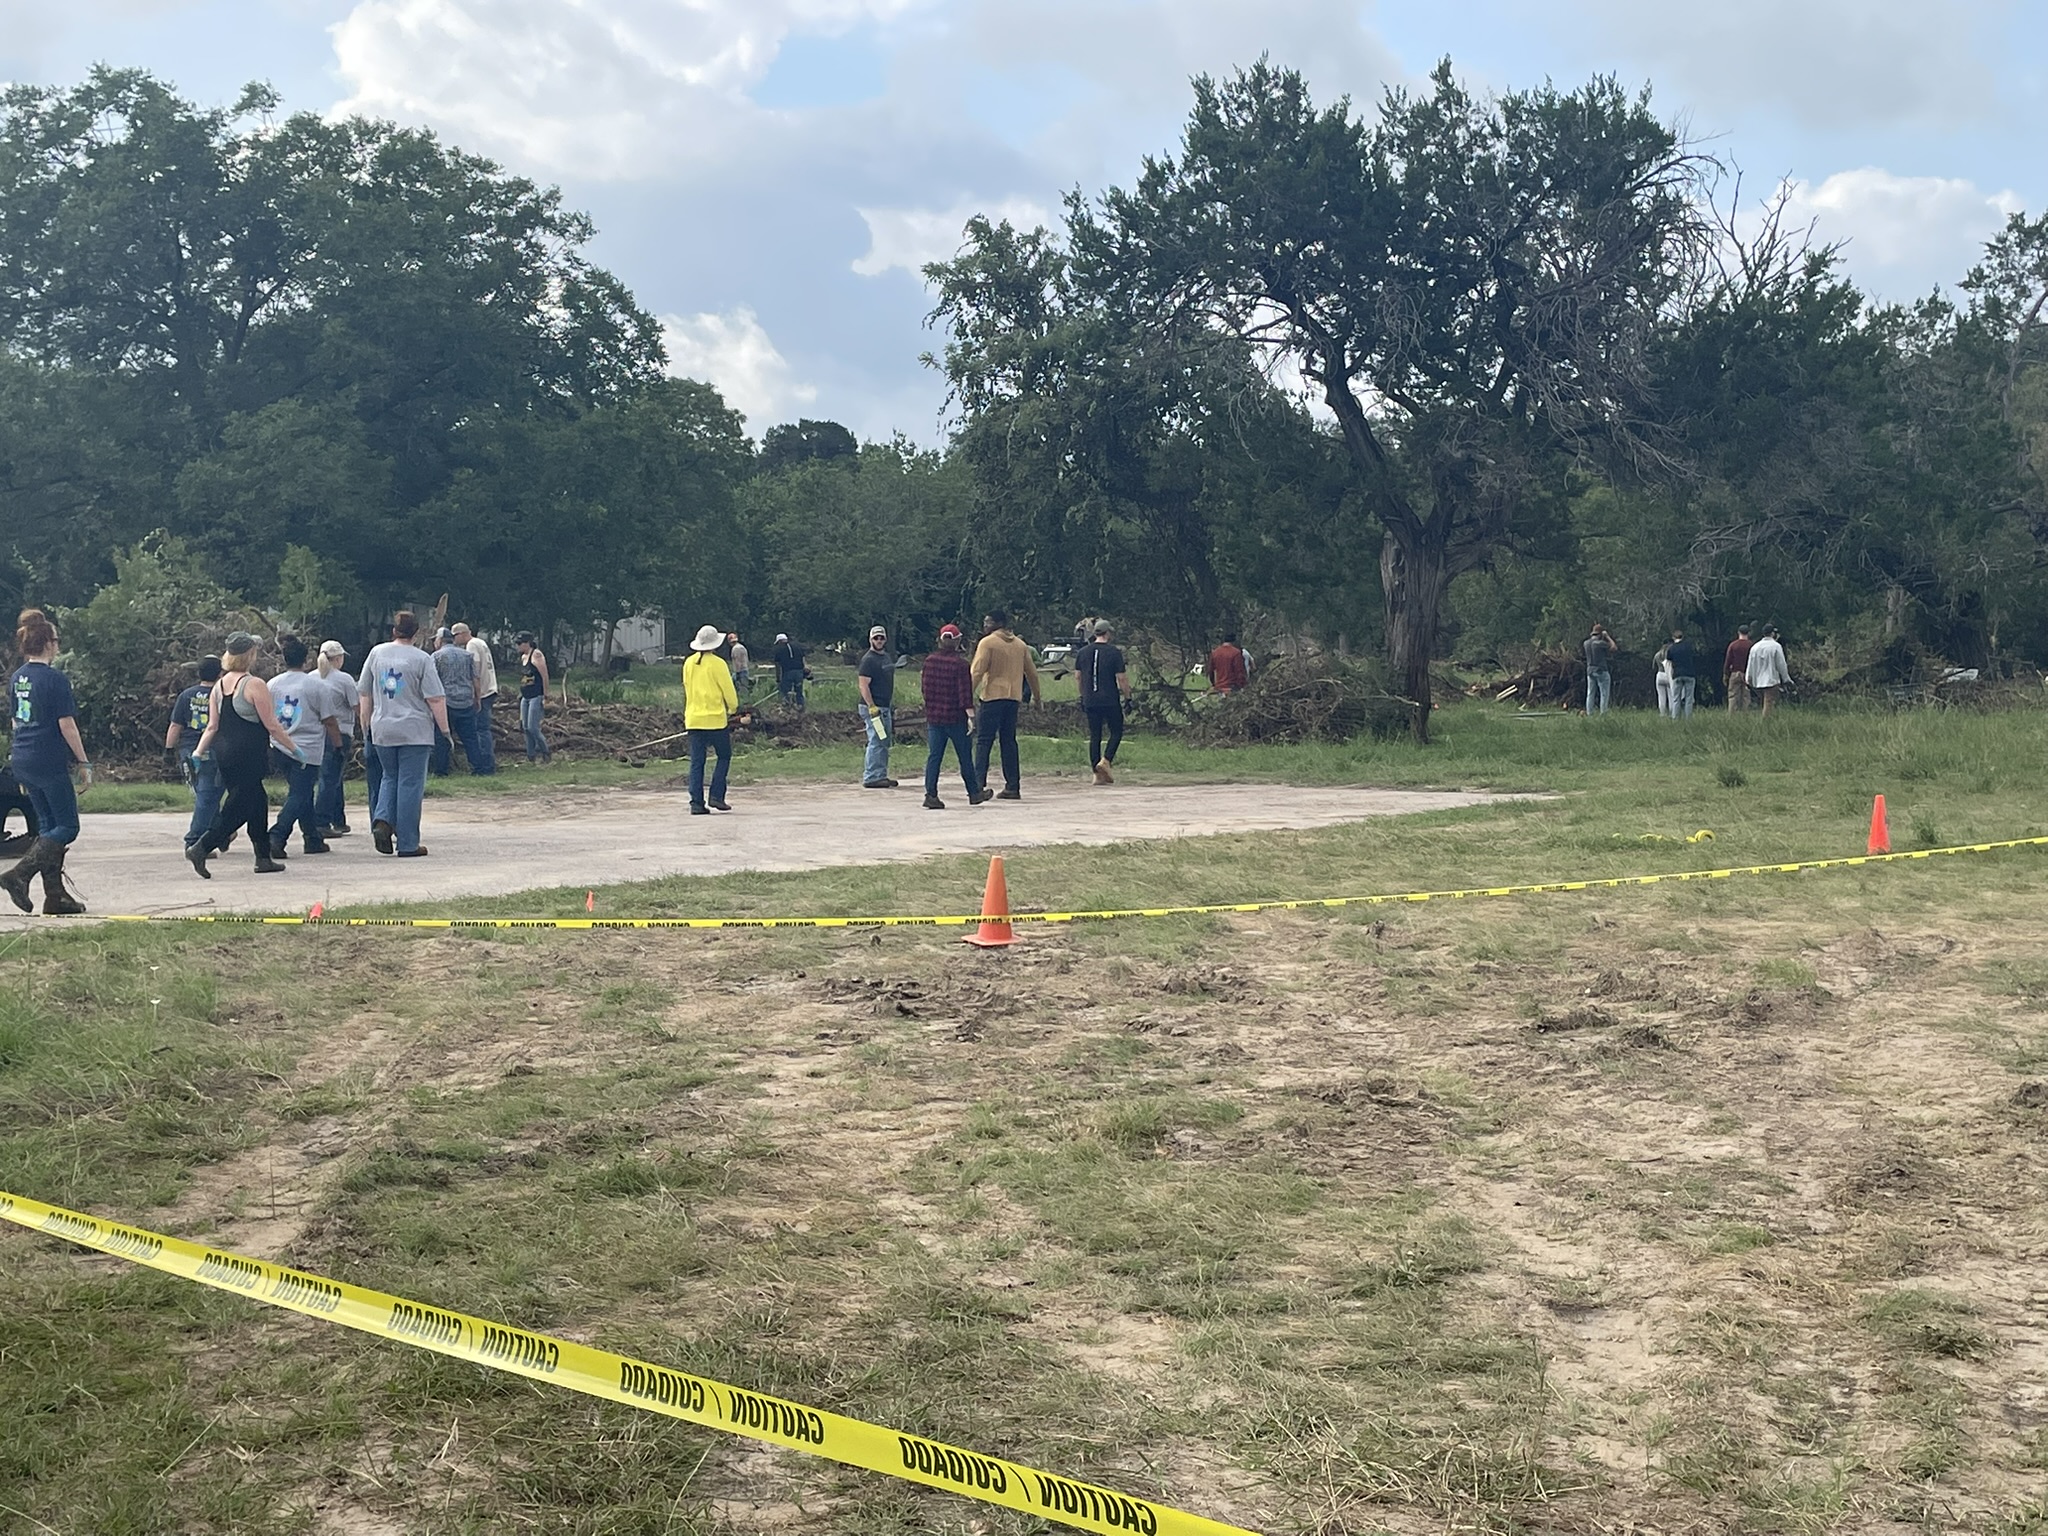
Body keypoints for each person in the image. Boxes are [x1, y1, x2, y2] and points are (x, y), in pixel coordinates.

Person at [187, 632, 306, 879]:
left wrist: (199, 751)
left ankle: (263, 857)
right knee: (239, 806)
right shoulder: (254, 685)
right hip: (248, 755)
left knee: (257, 803)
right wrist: (294, 749)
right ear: (250, 655)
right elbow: (272, 724)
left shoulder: (219, 686)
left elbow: (212, 726)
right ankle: (202, 846)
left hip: (224, 753)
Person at [3, 608, 90, 915]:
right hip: (47, 758)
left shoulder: (17, 678)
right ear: (49, 643)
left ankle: (55, 896)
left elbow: (15, 721)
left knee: (48, 828)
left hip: (23, 757)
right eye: (57, 639)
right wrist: (83, 763)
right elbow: (66, 725)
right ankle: (19, 875)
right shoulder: (54, 679)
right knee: (67, 826)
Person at [357, 612, 450, 857]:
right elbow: (435, 697)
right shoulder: (422, 659)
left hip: (382, 727)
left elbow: (364, 692)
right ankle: (408, 843)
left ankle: (382, 821)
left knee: (389, 776)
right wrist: (445, 730)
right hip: (414, 730)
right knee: (410, 784)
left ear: (393, 630)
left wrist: (365, 724)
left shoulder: (377, 653)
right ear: (416, 633)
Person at [266, 636, 343, 857]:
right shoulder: (316, 685)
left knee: (302, 793)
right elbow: (329, 720)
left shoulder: (272, 684)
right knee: (299, 795)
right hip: (306, 749)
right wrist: (337, 745)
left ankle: (312, 837)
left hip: (279, 746)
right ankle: (277, 835)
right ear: (306, 659)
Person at [971, 609, 1038, 800]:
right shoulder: (1020, 644)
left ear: (997, 623)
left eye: (987, 622)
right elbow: (1032, 674)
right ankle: (1013, 786)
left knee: (984, 740)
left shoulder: (987, 643)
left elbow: (977, 672)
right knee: (1008, 741)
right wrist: (1037, 698)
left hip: (992, 697)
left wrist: (966, 696)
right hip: (1012, 698)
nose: (984, 626)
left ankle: (977, 783)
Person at [920, 624, 987, 810]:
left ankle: (930, 794)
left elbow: (925, 689)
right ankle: (973, 793)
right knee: (965, 756)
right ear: (957, 641)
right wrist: (971, 717)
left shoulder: (929, 661)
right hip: (955, 718)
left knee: (934, 756)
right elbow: (964, 695)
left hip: (934, 718)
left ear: (940, 640)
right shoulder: (960, 665)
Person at [166, 654, 225, 851]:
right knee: (208, 795)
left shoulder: (186, 695)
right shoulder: (222, 695)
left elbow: (175, 725)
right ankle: (195, 840)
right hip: (213, 749)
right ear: (220, 673)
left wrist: (168, 750)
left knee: (206, 794)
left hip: (188, 749)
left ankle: (218, 834)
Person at [682, 624, 738, 814]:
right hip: (715, 720)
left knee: (697, 761)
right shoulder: (718, 664)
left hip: (693, 719)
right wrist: (733, 709)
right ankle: (716, 795)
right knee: (723, 756)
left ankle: (696, 803)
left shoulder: (689, 663)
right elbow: (728, 691)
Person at [1076, 619, 1132, 784]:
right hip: (1109, 699)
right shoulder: (1114, 652)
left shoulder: (1083, 652)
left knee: (1095, 736)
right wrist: (1128, 697)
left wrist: (1082, 696)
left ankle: (1096, 773)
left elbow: (1078, 676)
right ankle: (1106, 761)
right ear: (1107, 633)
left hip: (1090, 699)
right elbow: (1121, 678)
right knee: (1116, 731)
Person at [430, 626, 491, 776]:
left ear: (440, 640)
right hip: (465, 701)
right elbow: (475, 679)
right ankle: (478, 769)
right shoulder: (467, 655)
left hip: (446, 703)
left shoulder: (436, 657)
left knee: (442, 738)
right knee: (470, 738)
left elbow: (432, 681)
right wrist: (477, 698)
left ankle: (442, 771)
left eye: (435, 639)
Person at [315, 640, 359, 835]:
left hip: (317, 733)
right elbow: (356, 706)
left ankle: (338, 818)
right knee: (330, 778)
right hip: (340, 731)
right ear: (338, 658)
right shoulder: (344, 680)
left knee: (334, 777)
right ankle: (322, 822)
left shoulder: (311, 677)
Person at [857, 624, 898, 789]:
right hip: (874, 708)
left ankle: (880, 774)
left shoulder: (886, 657)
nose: (879, 641)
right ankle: (872, 776)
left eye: (881, 638)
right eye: (876, 638)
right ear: (870, 639)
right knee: (876, 739)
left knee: (883, 740)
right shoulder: (868, 660)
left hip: (884, 707)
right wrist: (871, 706)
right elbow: (863, 685)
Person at [454, 623, 498, 773]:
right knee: (483, 728)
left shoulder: (471, 645)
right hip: (491, 687)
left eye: (455, 636)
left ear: (461, 634)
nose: (454, 640)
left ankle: (486, 766)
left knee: (481, 729)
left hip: (484, 691)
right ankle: (487, 763)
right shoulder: (481, 642)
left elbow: (475, 671)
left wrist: (475, 694)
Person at [515, 633, 552, 763]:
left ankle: (545, 751)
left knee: (533, 727)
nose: (518, 646)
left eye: (520, 643)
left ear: (528, 643)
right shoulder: (523, 657)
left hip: (536, 695)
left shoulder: (536, 655)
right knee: (525, 727)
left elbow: (544, 675)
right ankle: (530, 756)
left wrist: (546, 694)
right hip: (525, 696)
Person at [1746, 625, 1791, 719]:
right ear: (1773, 633)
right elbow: (1781, 664)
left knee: (1763, 702)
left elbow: (1750, 664)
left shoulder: (1755, 647)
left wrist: (1748, 678)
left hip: (1757, 680)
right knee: (1769, 702)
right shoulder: (1776, 646)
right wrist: (1786, 678)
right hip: (1771, 679)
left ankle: (1767, 718)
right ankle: (1766, 722)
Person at [1583, 624, 1615, 716]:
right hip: (1601, 670)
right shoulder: (1600, 643)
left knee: (1590, 693)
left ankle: (1590, 713)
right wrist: (1607, 637)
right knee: (1604, 693)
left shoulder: (1586, 643)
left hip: (1590, 670)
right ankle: (1603, 713)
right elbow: (1614, 647)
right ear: (1600, 634)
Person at [1665, 630, 1696, 720]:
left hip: (1677, 674)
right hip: (1689, 674)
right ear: (1682, 637)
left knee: (1676, 698)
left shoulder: (1671, 648)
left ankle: (1675, 718)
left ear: (1673, 638)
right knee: (1689, 698)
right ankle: (1688, 718)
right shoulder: (1689, 646)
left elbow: (1669, 660)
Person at [772, 633, 809, 708]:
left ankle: (787, 707)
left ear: (779, 641)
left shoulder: (779, 650)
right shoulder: (796, 646)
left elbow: (778, 665)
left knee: (785, 691)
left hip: (787, 672)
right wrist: (805, 667)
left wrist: (778, 678)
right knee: (799, 690)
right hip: (799, 672)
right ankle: (800, 706)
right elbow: (803, 658)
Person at [1724, 626, 1754, 713]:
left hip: (1735, 672)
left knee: (1733, 695)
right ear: (1748, 633)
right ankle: (1745, 715)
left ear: (1738, 632)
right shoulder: (1751, 645)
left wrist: (1726, 674)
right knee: (1746, 696)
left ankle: (1732, 715)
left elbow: (1728, 660)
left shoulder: (1733, 645)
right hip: (1747, 673)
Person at [1652, 639, 1673, 718]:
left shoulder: (1657, 654)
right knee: (1671, 696)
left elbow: (1653, 666)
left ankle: (1662, 714)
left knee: (1661, 697)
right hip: (1668, 675)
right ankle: (1672, 713)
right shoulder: (1669, 654)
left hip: (1659, 675)